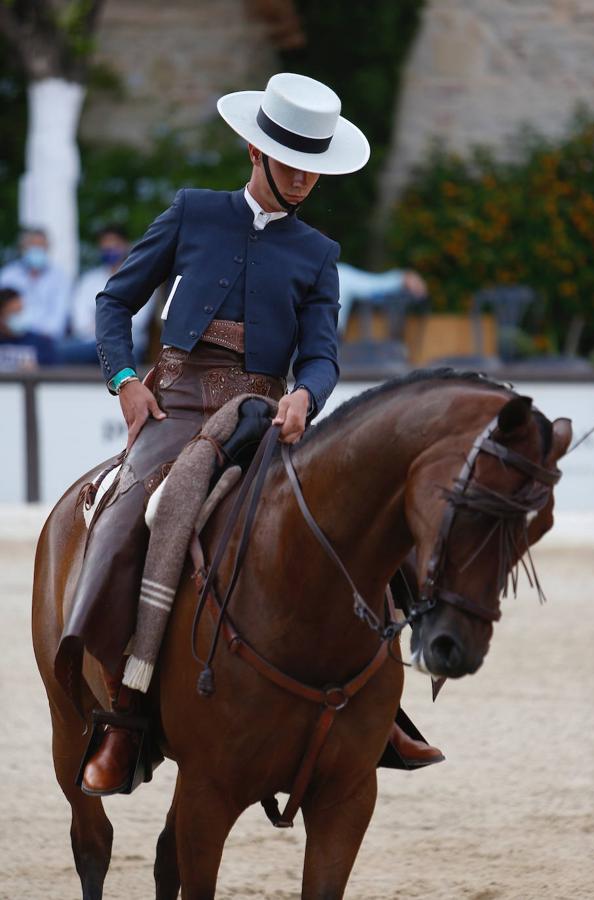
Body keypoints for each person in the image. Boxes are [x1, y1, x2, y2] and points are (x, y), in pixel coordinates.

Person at [57, 72, 440, 797]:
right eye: (290, 162)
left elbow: (324, 352)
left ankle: (380, 702)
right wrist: (124, 381)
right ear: (253, 151)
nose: (302, 178)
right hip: (174, 410)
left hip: (269, 417)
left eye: (313, 168)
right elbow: (115, 300)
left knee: (365, 523)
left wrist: (305, 392)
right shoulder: (192, 213)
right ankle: (124, 709)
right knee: (138, 522)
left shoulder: (319, 253)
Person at [65, 225, 156, 364]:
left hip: (127, 344)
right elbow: (79, 323)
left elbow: (137, 322)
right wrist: (110, 324)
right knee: (62, 351)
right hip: (88, 343)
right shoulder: (89, 280)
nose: (110, 249)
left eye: (115, 244)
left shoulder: (141, 279)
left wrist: (100, 324)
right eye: (106, 246)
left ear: (126, 245)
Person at [0, 228, 71, 339]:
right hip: (11, 338)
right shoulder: (8, 275)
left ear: (48, 247)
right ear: (22, 247)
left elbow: (58, 319)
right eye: (32, 244)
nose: (37, 249)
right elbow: (4, 312)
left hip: (47, 340)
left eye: (41, 245)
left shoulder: (60, 277)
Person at [337, 261, 428, 335]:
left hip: (329, 338)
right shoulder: (337, 273)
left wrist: (402, 278)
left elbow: (371, 287)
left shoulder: (338, 274)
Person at [0, 286, 56, 368]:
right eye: (14, 312)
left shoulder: (41, 344)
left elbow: (55, 374)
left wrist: (37, 371)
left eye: (21, 311)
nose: (20, 316)